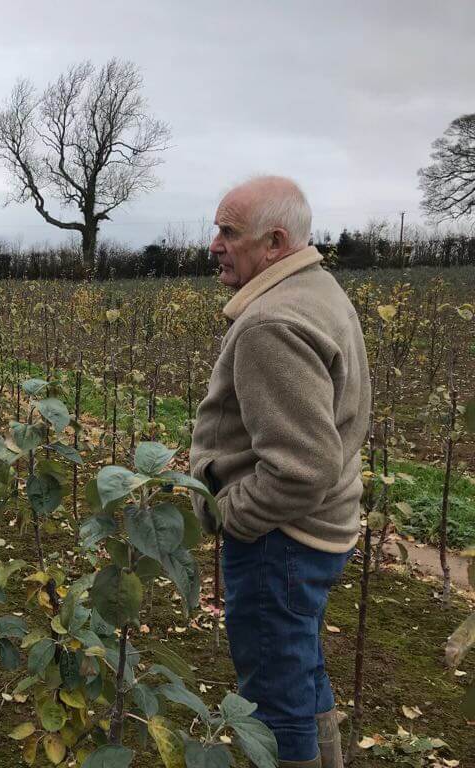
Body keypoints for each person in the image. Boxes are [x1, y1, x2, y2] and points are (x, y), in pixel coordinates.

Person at [189, 176, 370, 768]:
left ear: (274, 243)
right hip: (318, 529)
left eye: (229, 231)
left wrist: (230, 514)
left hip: (280, 539)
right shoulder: (317, 290)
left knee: (273, 699)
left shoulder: (271, 324)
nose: (214, 244)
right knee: (300, 668)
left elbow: (302, 468)